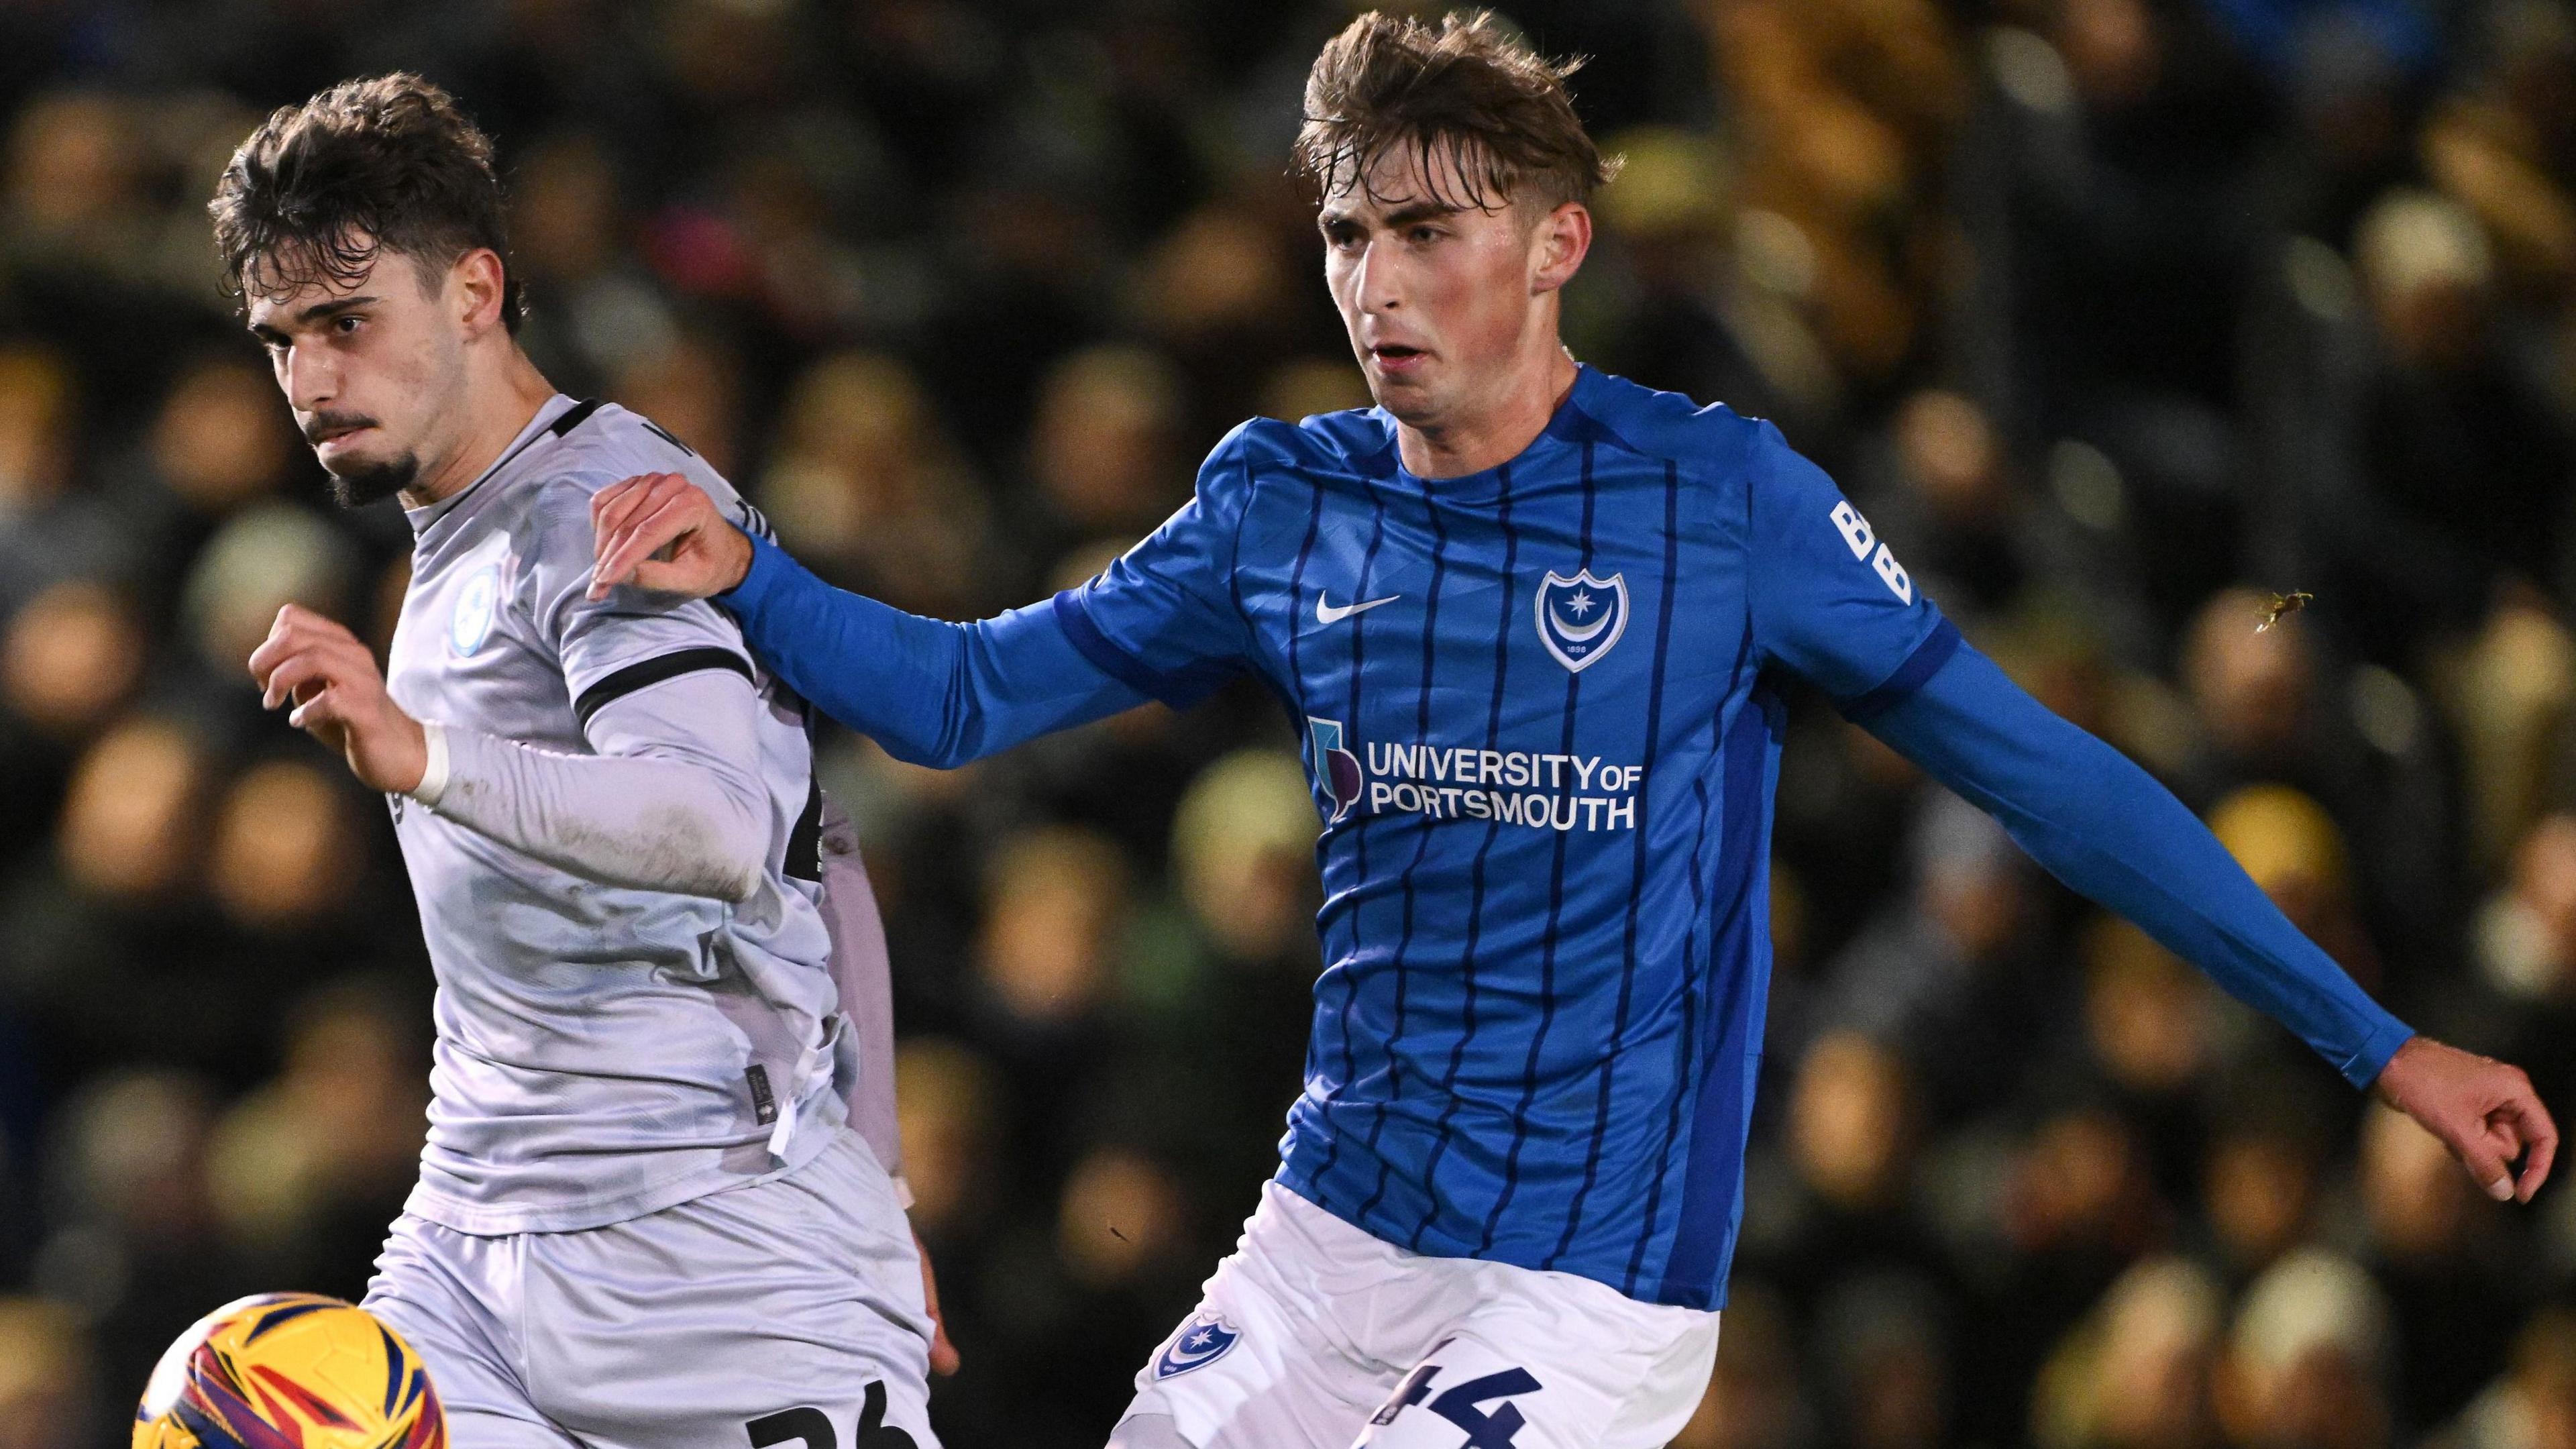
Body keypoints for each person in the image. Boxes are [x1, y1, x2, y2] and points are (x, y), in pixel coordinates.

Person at [588, 13, 2557, 1449]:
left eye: (1432, 231)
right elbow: (962, 697)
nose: (1377, 282)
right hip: (1327, 1232)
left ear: (1557, 245)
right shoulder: (1283, 502)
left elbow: (2045, 779)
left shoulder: (1727, 508)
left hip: (1591, 1288)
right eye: (1350, 233)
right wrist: (752, 571)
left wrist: (2374, 1045)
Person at [216, 74, 951, 1446]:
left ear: (477, 293)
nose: (311, 379)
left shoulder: (602, 511)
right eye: (282, 339)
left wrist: (423, 752)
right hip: (470, 1247)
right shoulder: (463, 536)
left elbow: (723, 828)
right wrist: (888, 1180)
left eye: (347, 322)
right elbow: (821, 845)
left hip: (714, 1254)